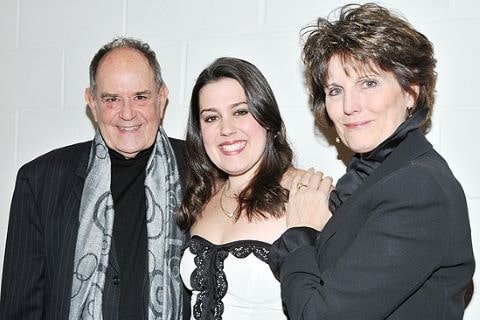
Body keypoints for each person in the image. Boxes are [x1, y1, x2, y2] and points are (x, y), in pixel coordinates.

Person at [268, 3, 475, 320]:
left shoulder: (419, 187)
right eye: (336, 90)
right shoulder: (372, 178)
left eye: (369, 83)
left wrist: (301, 231)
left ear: (410, 92)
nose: (349, 105)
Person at [0, 37, 189, 319]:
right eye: (112, 99)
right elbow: (20, 308)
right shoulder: (39, 181)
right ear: (91, 101)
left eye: (140, 97)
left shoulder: (202, 172)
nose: (127, 113)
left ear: (162, 98)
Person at [177, 57, 296, 319]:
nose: (226, 129)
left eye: (240, 112)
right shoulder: (203, 198)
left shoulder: (306, 193)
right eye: (211, 118)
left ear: (267, 119)